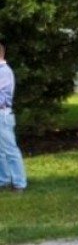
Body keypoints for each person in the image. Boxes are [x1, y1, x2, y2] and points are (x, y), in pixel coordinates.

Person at [0, 42, 28, 193]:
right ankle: (3, 180)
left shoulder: (3, 72)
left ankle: (19, 183)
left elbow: (2, 98)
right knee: (1, 151)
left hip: (2, 114)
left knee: (10, 150)